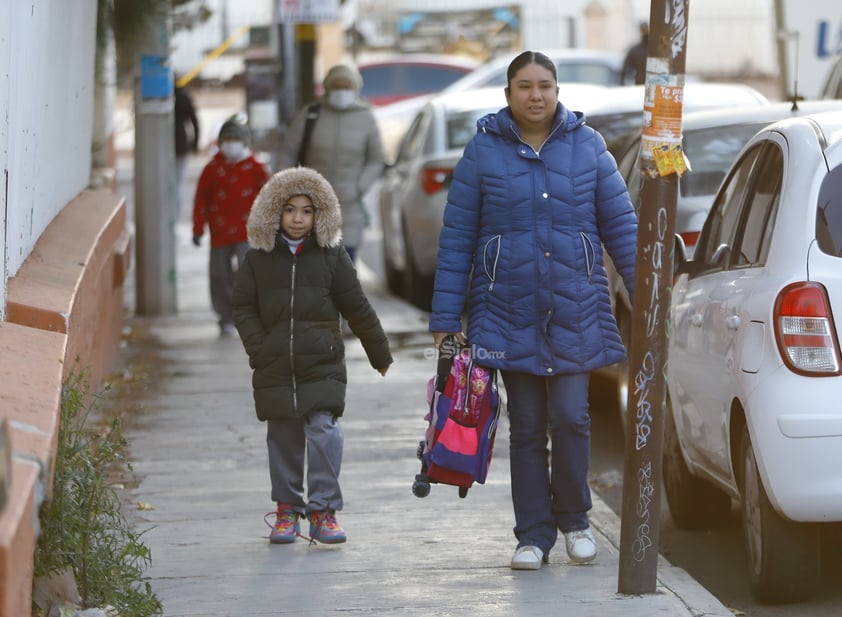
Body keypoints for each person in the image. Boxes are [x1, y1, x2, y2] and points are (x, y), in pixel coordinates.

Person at [429, 51, 637, 571]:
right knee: (526, 426)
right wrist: (445, 320)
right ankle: (533, 534)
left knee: (571, 417)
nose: (536, 95)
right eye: (525, 86)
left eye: (545, 85)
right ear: (508, 94)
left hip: (576, 307)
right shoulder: (481, 153)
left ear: (558, 90)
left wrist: (652, 301)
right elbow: (456, 241)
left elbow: (624, 232)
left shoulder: (590, 148)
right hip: (506, 308)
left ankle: (576, 521)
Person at [231, 166, 393, 545]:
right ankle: (288, 510)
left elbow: (357, 307)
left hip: (321, 364)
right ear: (274, 213)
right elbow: (242, 308)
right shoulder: (257, 259)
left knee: (324, 433)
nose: (298, 218)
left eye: (307, 211)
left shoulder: (331, 257)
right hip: (276, 366)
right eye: (290, 210)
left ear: (320, 215)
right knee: (283, 438)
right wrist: (259, 347)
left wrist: (378, 353)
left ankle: (323, 510)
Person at [276, 63, 385, 263]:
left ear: (355, 89)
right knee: (313, 273)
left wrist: (359, 187)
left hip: (349, 207)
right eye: (336, 86)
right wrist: (291, 188)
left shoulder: (366, 118)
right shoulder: (311, 114)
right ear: (327, 88)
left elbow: (376, 159)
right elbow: (288, 152)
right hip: (312, 206)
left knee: (345, 271)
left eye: (346, 86)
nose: (341, 91)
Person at [192, 118, 270, 337]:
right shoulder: (212, 169)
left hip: (249, 232)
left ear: (244, 142)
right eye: (227, 139)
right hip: (220, 233)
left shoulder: (256, 168)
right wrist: (198, 228)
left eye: (236, 139)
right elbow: (201, 200)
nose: (231, 143)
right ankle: (225, 316)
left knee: (248, 274)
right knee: (220, 275)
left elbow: (270, 198)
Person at [174, 82, 200, 218]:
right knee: (177, 185)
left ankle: (174, 216)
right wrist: (195, 143)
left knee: (176, 185)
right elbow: (195, 121)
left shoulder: (180, 97)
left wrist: (195, 143)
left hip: (179, 147)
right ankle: (175, 216)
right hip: (180, 146)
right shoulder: (183, 96)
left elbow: (194, 121)